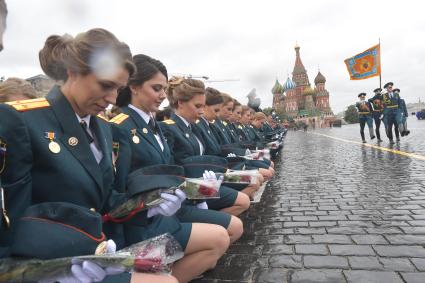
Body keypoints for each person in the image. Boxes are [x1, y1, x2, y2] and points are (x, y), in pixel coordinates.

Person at [0, 28, 179, 283]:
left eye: (118, 88)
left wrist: (151, 204)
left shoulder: (103, 128)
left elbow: (106, 199)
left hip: (96, 252)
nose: (112, 98)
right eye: (106, 85)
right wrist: (38, 274)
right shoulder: (21, 120)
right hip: (46, 264)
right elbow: (8, 219)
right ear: (72, 71)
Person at [111, 55, 233, 282]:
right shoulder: (120, 127)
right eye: (156, 88)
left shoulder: (152, 124)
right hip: (141, 224)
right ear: (134, 87)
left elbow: (170, 170)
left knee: (218, 242)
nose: (162, 96)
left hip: (166, 215)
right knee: (217, 241)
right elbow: (117, 189)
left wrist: (196, 194)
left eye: (164, 89)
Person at [160, 77, 251, 216]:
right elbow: (173, 168)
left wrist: (237, 163)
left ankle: (214, 220)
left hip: (209, 178)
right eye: (198, 106)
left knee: (253, 178)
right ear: (181, 103)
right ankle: (213, 222)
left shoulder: (191, 127)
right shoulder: (169, 128)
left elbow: (211, 154)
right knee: (244, 200)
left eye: (203, 106)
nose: (202, 111)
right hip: (188, 189)